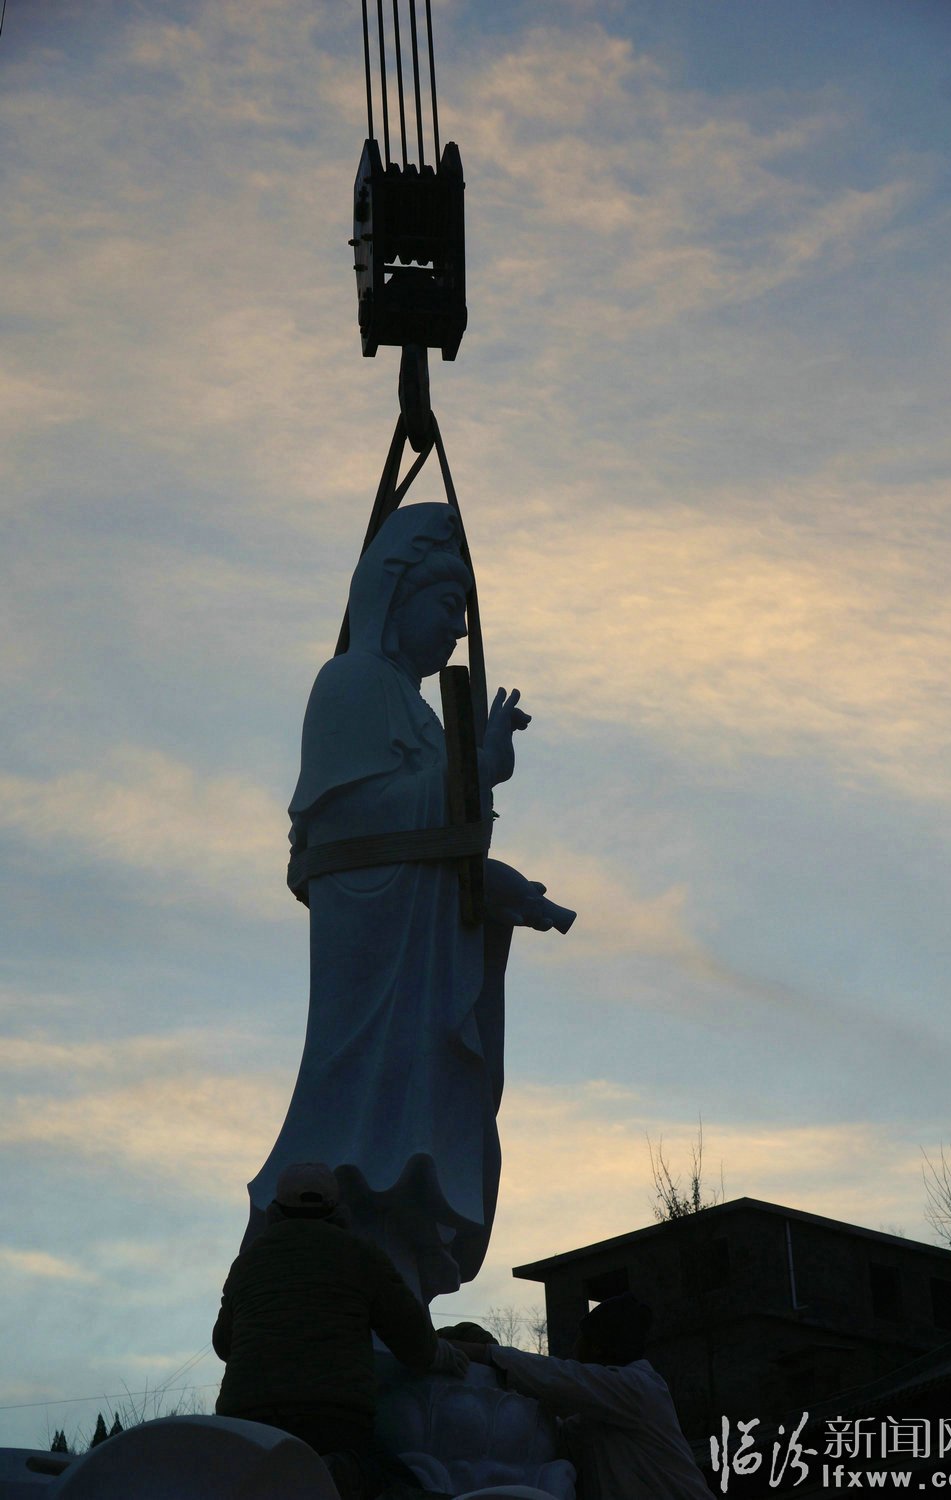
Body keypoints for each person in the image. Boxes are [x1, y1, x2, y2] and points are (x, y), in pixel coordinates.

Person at [244, 502, 572, 1300]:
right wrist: (475, 772)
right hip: (376, 952)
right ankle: (342, 1254)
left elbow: (437, 839)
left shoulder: (414, 707)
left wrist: (501, 889)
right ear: (396, 598)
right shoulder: (351, 682)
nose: (458, 629)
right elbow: (355, 822)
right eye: (447, 605)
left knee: (422, 1122)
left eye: (463, 612)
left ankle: (398, 1275)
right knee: (364, 1126)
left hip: (420, 950)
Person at [213, 1161, 466, 1500]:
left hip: (246, 1420)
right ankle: (340, 1473)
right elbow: (413, 1341)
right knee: (394, 1481)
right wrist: (444, 1355)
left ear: (275, 1209)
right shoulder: (358, 1254)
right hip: (332, 1416)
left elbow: (223, 1343)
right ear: (335, 1209)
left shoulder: (247, 1263)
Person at [449, 1293, 713, 1500]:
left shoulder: (640, 1388)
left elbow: (557, 1377)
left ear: (596, 1346)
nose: (575, 1347)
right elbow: (556, 1430)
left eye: (582, 1338)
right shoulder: (599, 1416)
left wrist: (487, 1355)